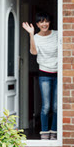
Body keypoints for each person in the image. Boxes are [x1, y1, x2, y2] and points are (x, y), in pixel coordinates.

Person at [22, 12, 58, 140]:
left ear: (49, 22)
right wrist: (31, 34)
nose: (44, 24)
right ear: (37, 24)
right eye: (41, 22)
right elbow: (34, 52)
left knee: (56, 106)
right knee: (46, 106)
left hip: (58, 73)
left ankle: (54, 132)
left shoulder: (56, 34)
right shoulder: (36, 37)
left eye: (46, 21)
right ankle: (44, 133)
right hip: (44, 73)